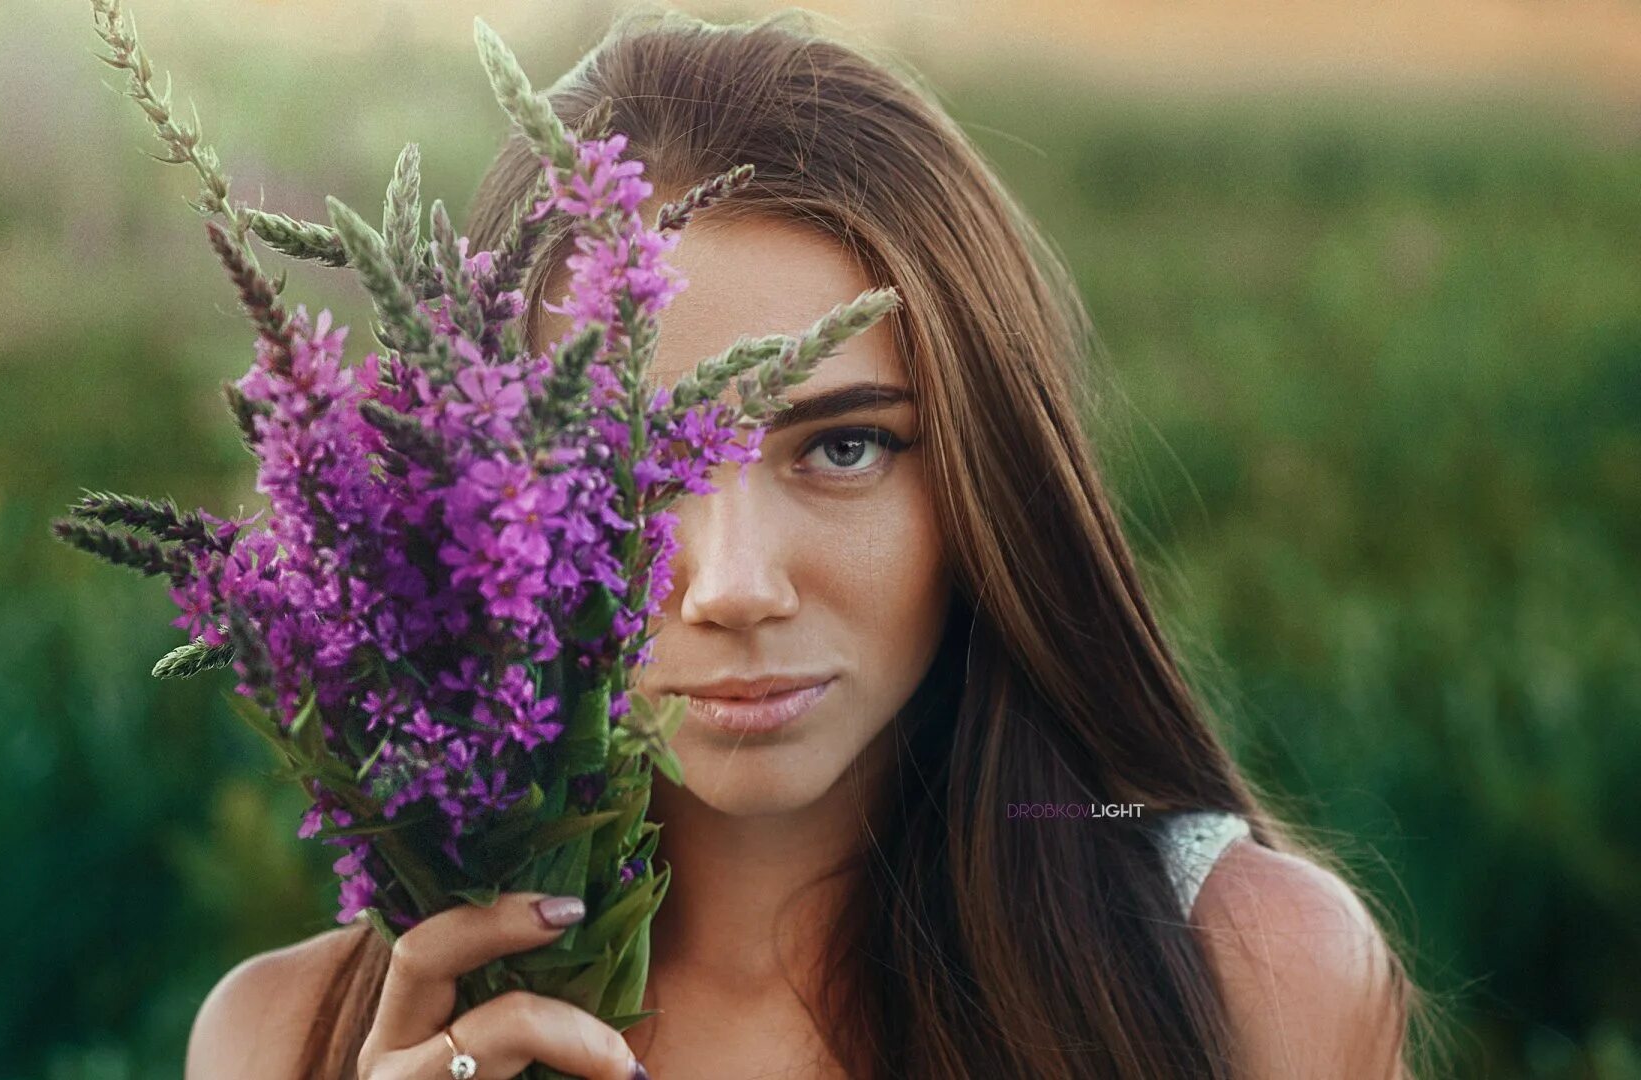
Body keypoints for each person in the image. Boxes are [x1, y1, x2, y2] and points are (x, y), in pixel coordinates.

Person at [186, 10, 1422, 1079]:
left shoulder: (1249, 978)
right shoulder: (280, 1042)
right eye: (621, 475)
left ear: (985, 472)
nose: (731, 586)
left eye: (843, 448)